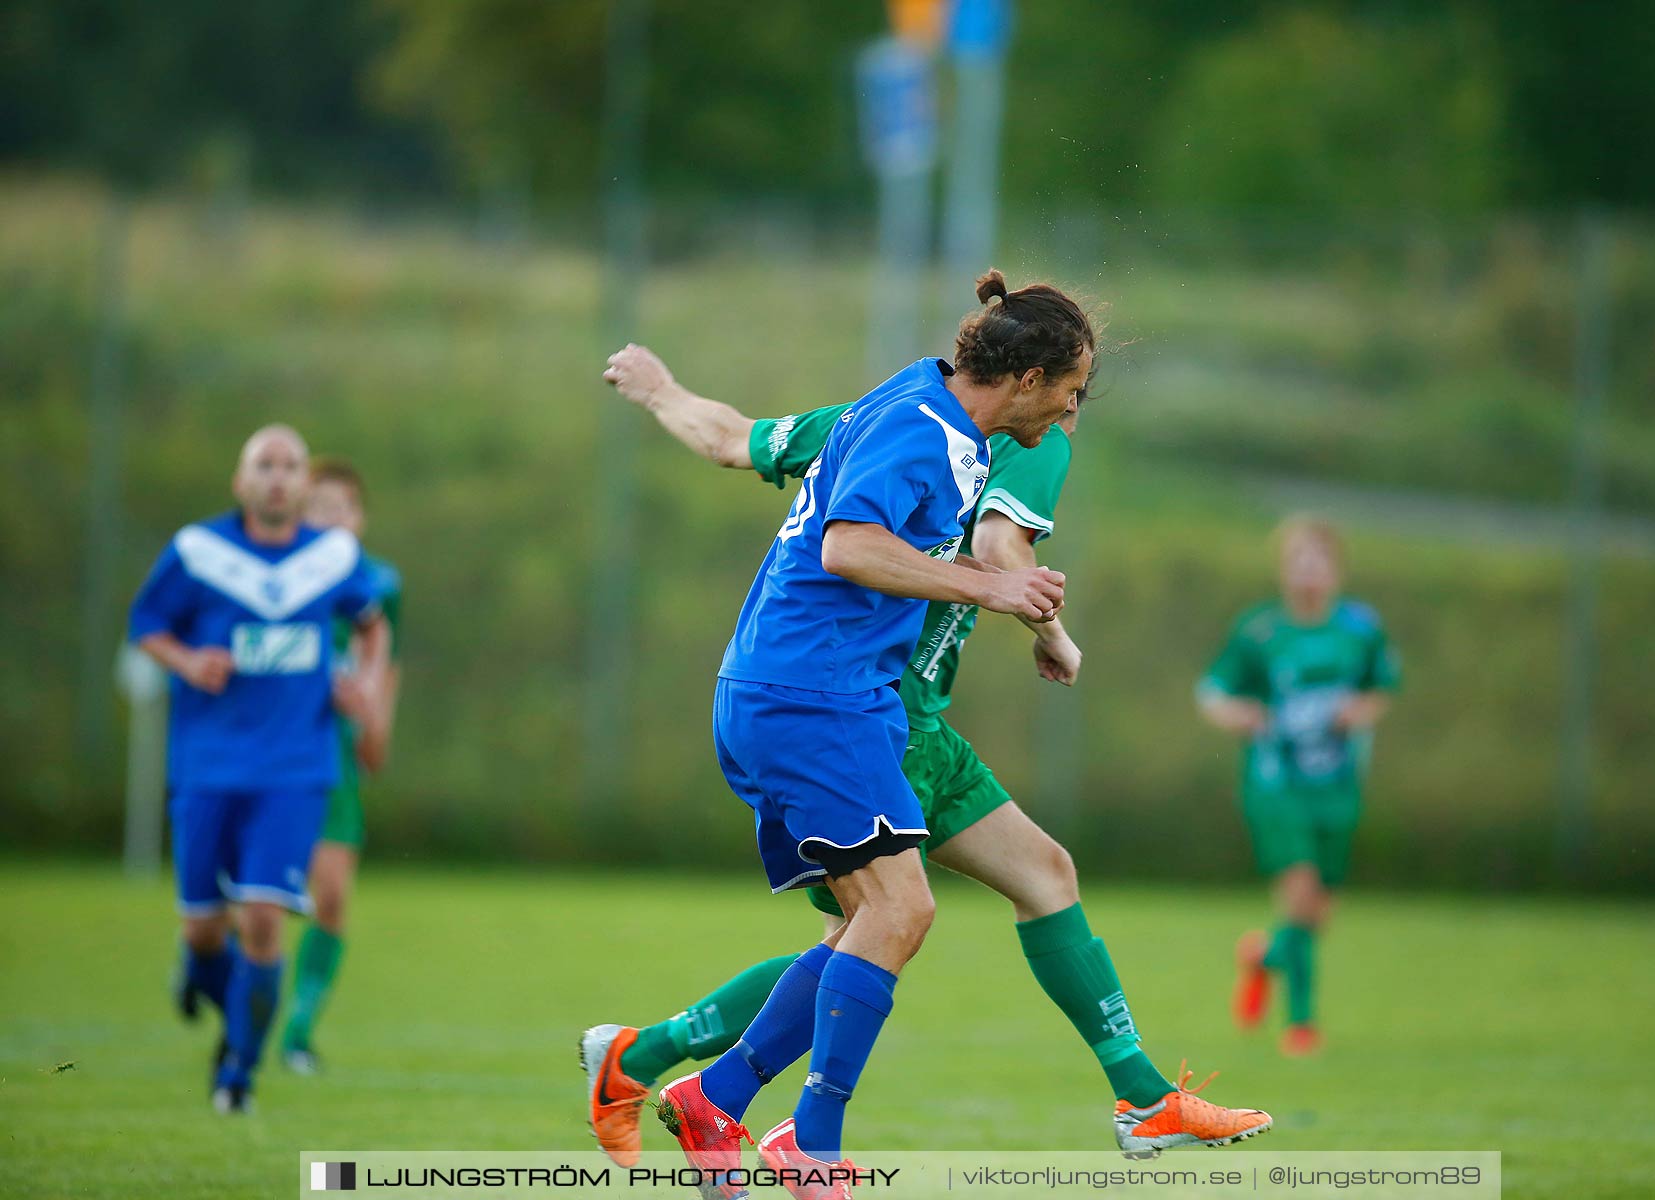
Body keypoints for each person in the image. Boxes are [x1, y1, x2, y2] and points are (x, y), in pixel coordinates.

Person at [581, 342, 1271, 1170]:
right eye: (1073, 389)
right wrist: (1049, 627)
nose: (1073, 409)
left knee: (1033, 877)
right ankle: (719, 1095)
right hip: (862, 711)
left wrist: (662, 391)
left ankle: (1143, 1095)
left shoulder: (877, 417)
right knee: (874, 928)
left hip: (909, 719)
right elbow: (1001, 544)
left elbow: (731, 438)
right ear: (1034, 379)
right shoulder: (1016, 440)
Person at [130, 425, 390, 1112]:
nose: (277, 476)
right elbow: (146, 623)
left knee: (265, 922)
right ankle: (213, 989)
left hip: (295, 769)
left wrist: (363, 682)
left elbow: (371, 623)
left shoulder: (332, 558)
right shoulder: (199, 552)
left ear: (305, 487)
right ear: (241, 482)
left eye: (290, 466)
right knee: (203, 931)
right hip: (207, 766)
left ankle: (237, 1074)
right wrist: (187, 661)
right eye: (264, 465)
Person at [1197, 516, 1400, 1056]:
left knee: (1316, 914)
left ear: (1336, 570)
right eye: (1298, 562)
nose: (1309, 573)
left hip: (1336, 785)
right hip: (1274, 784)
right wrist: (1238, 714)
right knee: (1302, 894)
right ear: (1284, 570)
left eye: (1319, 562)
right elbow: (1212, 693)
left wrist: (1359, 711)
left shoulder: (1360, 629)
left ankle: (1263, 959)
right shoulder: (1260, 631)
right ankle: (1302, 1025)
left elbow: (1382, 688)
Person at [280, 457, 404, 1074]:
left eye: (341, 510)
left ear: (358, 519)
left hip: (334, 759)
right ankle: (204, 956)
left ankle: (297, 1032)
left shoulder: (379, 585)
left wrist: (375, 723)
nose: (329, 521)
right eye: (316, 509)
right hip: (272, 757)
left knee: (329, 898)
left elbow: (384, 664)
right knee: (259, 899)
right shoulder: (277, 576)